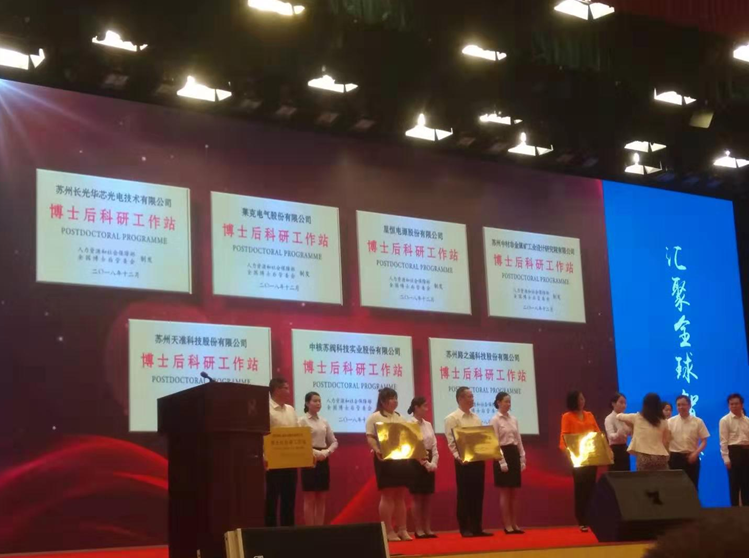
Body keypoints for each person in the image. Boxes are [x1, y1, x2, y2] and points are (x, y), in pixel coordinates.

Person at [365, 387, 413, 541]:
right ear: (383, 401)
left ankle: (402, 529)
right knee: (388, 494)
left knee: (400, 494)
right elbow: (370, 437)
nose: (395, 401)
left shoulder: (400, 417)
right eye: (391, 398)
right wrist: (377, 450)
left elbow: (407, 437)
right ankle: (388, 530)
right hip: (384, 459)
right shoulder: (374, 417)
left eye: (395, 398)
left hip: (400, 459)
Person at [445, 387, 491, 538]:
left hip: (478, 460)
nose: (472, 399)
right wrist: (458, 457)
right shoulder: (452, 418)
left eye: (472, 396)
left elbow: (481, 438)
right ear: (460, 398)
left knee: (478, 494)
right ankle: (464, 528)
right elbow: (451, 441)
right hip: (463, 461)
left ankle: (477, 527)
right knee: (464, 494)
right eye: (469, 396)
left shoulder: (476, 417)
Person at [559, 390, 602, 532]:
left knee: (592, 488)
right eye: (580, 399)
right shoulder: (567, 417)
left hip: (591, 456)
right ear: (574, 401)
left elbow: (598, 433)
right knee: (580, 488)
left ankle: (592, 518)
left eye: (583, 398)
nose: (583, 401)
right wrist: (569, 454)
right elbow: (564, 437)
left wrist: (603, 448)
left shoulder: (589, 415)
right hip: (578, 458)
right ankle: (582, 519)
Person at [298, 391, 338, 525]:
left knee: (321, 497)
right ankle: (310, 530)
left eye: (319, 401)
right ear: (307, 403)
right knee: (309, 497)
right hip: (308, 458)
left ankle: (320, 528)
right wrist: (315, 452)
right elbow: (299, 441)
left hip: (323, 458)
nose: (318, 403)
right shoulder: (302, 420)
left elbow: (334, 441)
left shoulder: (324, 421)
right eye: (315, 401)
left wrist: (326, 452)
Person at [490, 392, 526, 535]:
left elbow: (518, 439)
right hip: (501, 455)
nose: (508, 404)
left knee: (515, 492)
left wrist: (522, 457)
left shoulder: (514, 419)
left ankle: (515, 523)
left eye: (510, 401)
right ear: (498, 402)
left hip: (514, 454)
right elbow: (494, 442)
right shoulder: (495, 420)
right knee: (505, 491)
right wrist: (502, 461)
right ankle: (507, 525)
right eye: (506, 401)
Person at [265, 377, 299, 527]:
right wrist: (264, 457)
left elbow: (298, 433)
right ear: (277, 390)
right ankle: (270, 531)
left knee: (289, 499)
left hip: (291, 460)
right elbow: (263, 435)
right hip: (273, 461)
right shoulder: (265, 408)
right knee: (272, 498)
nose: (289, 391)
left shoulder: (291, 409)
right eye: (286, 388)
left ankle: (288, 531)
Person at [407, 397, 439, 539]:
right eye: (424, 406)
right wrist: (425, 463)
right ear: (416, 407)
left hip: (430, 460)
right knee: (417, 497)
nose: (427, 409)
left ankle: (427, 528)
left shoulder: (428, 424)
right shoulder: (409, 424)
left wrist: (434, 462)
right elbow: (412, 445)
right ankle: (418, 529)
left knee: (427, 496)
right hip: (416, 461)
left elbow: (434, 445)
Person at [617, 393, 671, 471]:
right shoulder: (664, 421)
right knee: (661, 478)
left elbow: (619, 416)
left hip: (644, 457)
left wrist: (631, 425)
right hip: (661, 456)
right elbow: (666, 441)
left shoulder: (637, 417)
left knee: (643, 478)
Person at [667, 395, 709, 489]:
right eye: (678, 405)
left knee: (692, 487)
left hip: (691, 458)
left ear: (689, 406)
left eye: (683, 404)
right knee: (675, 488)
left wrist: (696, 453)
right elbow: (665, 441)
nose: (681, 407)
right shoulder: (670, 422)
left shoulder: (698, 421)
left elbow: (704, 441)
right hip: (675, 458)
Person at [719, 393, 749, 506]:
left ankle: (746, 511)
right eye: (731, 404)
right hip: (734, 453)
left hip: (747, 452)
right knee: (734, 484)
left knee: (746, 484)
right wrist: (726, 458)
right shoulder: (725, 420)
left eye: (736, 403)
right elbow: (723, 441)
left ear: (742, 405)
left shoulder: (747, 420)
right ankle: (734, 511)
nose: (734, 406)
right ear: (728, 406)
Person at [605, 393, 632, 472]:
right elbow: (610, 435)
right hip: (614, 450)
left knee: (626, 474)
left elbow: (629, 432)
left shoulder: (625, 417)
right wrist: (618, 434)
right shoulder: (609, 418)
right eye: (621, 402)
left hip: (624, 448)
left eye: (625, 403)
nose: (624, 405)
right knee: (616, 474)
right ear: (613, 404)